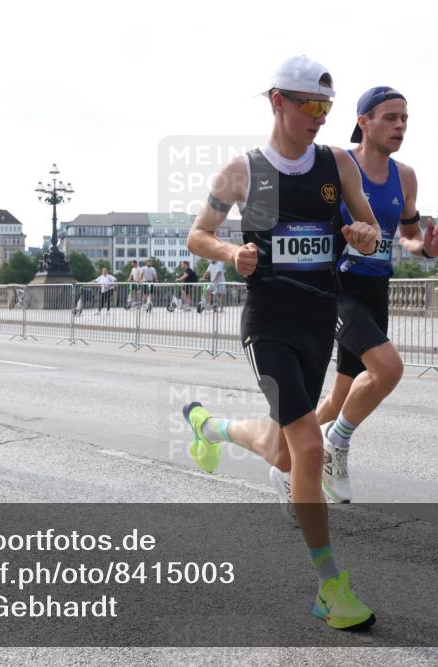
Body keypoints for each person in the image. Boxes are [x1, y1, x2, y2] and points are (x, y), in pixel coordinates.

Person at [181, 56, 380, 631]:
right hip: (268, 323)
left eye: (327, 107)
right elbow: (198, 234)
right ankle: (331, 587)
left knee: (284, 452)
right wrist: (231, 253)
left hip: (319, 320)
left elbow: (371, 235)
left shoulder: (337, 163)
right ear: (278, 101)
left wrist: (364, 236)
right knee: (309, 449)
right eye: (310, 105)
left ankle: (210, 427)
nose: (320, 116)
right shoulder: (243, 172)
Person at [315, 87, 438, 503]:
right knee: (388, 369)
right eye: (390, 117)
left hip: (375, 289)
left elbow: (407, 236)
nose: (400, 126)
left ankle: (286, 457)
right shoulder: (338, 164)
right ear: (364, 122)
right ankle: (335, 445)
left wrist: (426, 248)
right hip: (337, 286)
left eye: (404, 119)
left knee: (341, 396)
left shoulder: (405, 176)